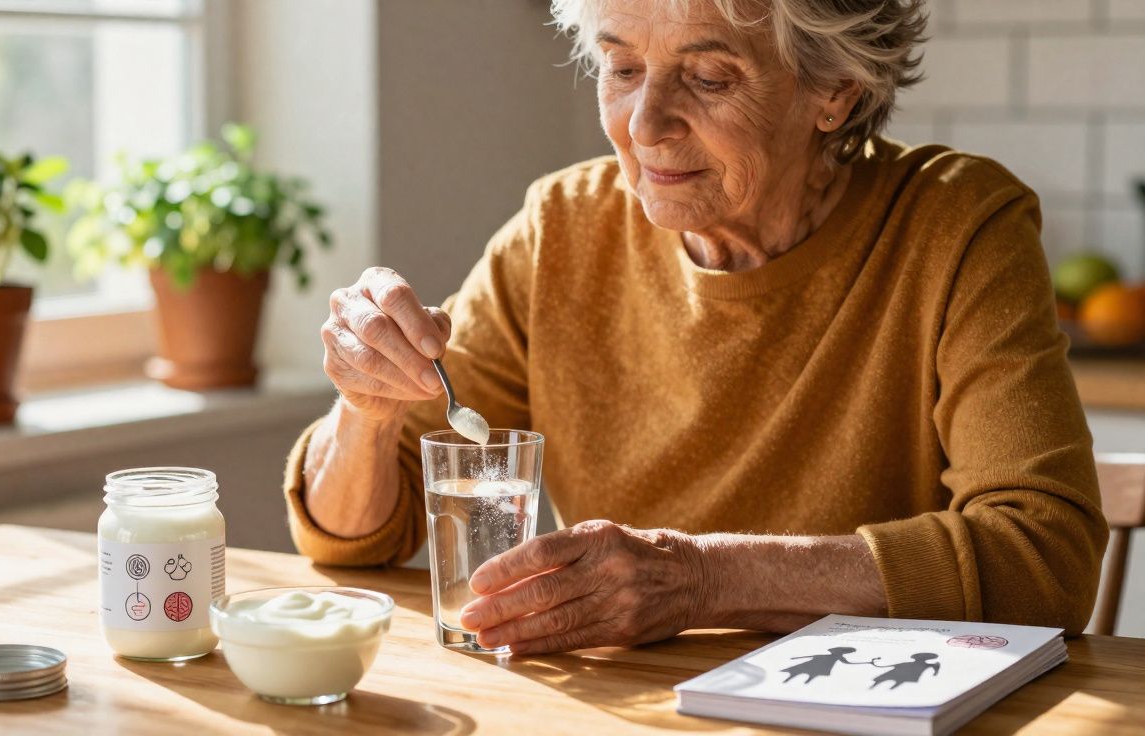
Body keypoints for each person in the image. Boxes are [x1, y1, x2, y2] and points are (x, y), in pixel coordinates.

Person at [281, 0, 1108, 655]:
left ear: (836, 92)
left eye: (708, 77)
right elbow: (356, 539)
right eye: (622, 67)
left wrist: (702, 578)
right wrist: (365, 409)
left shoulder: (956, 225)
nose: (644, 124)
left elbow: (1046, 558)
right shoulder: (562, 228)